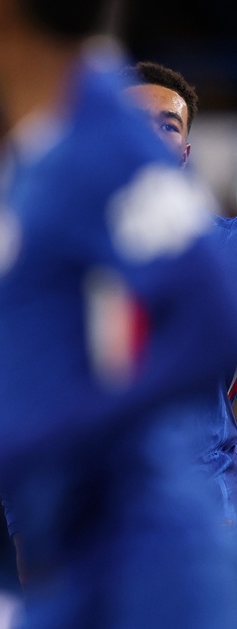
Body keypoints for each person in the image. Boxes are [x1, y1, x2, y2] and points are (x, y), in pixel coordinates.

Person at [0, 0, 237, 629]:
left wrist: (70, 429)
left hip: (148, 533)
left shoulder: (107, 138)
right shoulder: (47, 149)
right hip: (76, 535)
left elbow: (213, 314)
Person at [121, 61, 237, 528]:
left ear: (185, 153)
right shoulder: (55, 254)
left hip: (207, 511)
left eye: (167, 126)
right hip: (97, 520)